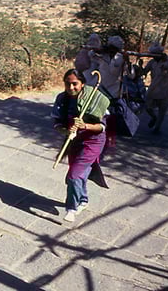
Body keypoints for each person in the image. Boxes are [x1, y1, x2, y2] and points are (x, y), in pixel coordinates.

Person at [52, 69, 110, 223]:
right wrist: (66, 130)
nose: (71, 87)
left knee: (73, 175)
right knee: (79, 174)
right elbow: (57, 123)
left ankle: (71, 207)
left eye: (75, 84)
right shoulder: (62, 99)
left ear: (82, 84)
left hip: (93, 141)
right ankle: (83, 200)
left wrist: (85, 125)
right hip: (74, 141)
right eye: (67, 84)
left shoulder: (95, 97)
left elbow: (102, 127)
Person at [143, 42, 168, 134]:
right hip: (154, 87)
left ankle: (157, 127)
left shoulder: (167, 61)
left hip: (166, 88)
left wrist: (165, 64)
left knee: (162, 109)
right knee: (147, 106)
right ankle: (154, 117)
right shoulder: (152, 62)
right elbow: (145, 71)